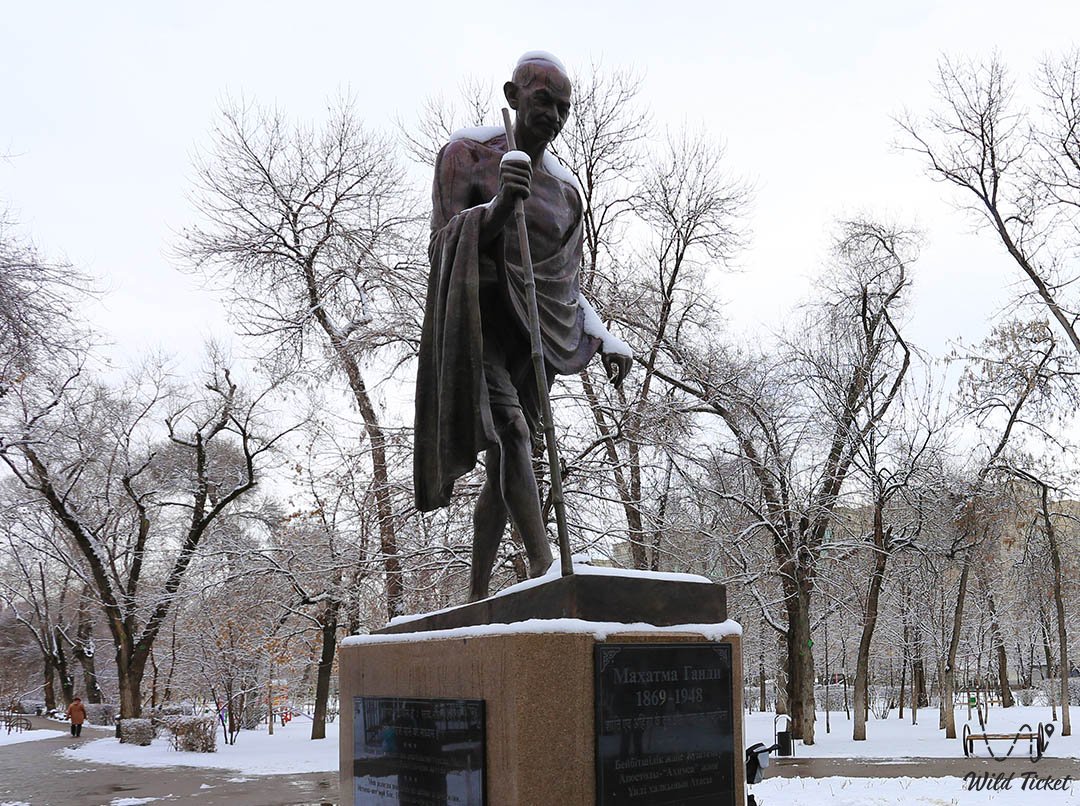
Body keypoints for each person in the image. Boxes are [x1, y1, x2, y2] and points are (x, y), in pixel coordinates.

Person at [414, 51, 632, 601]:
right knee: (512, 433)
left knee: (508, 465)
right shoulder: (467, 157)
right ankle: (544, 566)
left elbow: (565, 282)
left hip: (532, 336)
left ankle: (476, 591)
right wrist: (498, 206)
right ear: (513, 96)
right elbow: (442, 244)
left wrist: (601, 336)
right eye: (543, 101)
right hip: (477, 325)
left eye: (564, 108)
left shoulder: (565, 194)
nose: (554, 116)